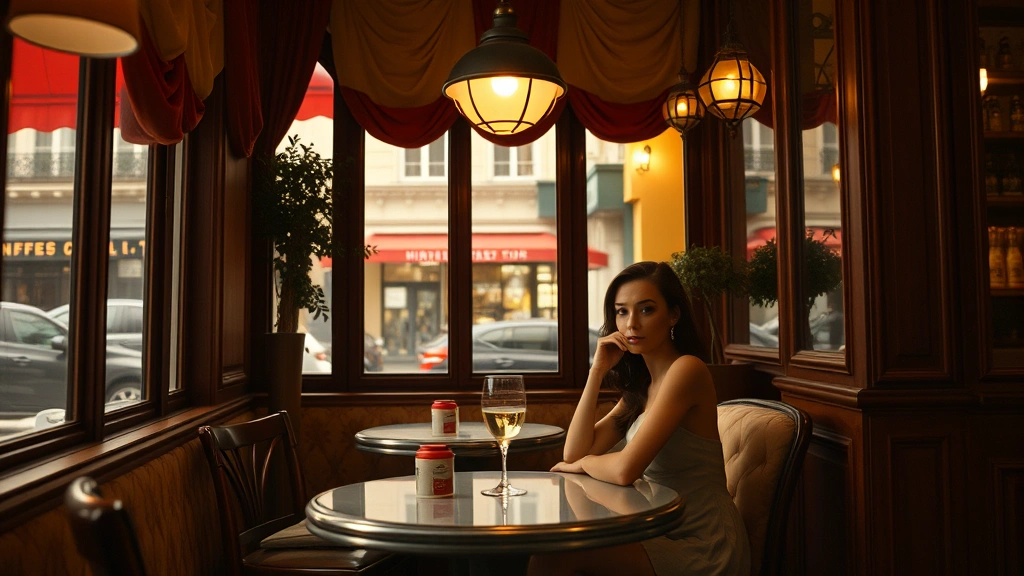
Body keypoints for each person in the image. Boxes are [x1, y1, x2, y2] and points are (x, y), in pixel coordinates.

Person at [529, 261, 750, 576]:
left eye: (646, 310)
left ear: (673, 315)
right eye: (621, 311)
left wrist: (580, 466)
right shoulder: (643, 386)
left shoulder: (687, 369)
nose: (631, 323)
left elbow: (622, 471)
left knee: (555, 559)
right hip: (655, 527)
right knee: (550, 553)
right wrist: (596, 371)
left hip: (702, 540)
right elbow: (574, 451)